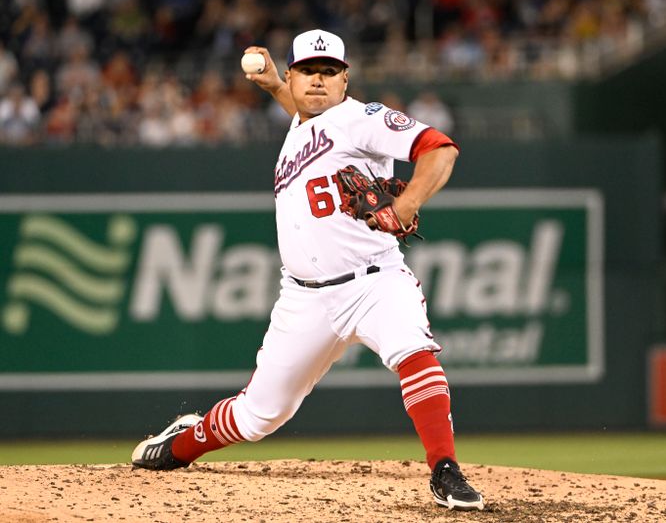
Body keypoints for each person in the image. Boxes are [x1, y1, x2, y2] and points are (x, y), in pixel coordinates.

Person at [131, 28, 485, 512]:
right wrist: (276, 86)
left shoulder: (363, 118)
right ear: (295, 76)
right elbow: (309, 117)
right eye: (308, 72)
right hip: (303, 298)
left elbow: (440, 148)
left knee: (413, 349)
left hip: (374, 280)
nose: (318, 81)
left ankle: (445, 470)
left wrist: (405, 205)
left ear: (345, 80)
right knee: (259, 417)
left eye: (329, 72)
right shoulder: (303, 122)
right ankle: (179, 444)